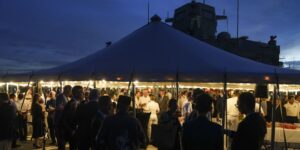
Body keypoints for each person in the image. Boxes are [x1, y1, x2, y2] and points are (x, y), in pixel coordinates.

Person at [62, 86, 84, 150]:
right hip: (73, 132)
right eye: (82, 92)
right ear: (77, 93)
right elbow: (66, 119)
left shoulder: (77, 103)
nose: (83, 94)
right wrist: (72, 130)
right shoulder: (72, 104)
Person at [54, 85, 72, 150]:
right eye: (70, 90)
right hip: (59, 122)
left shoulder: (66, 98)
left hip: (64, 123)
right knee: (61, 143)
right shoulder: (60, 97)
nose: (71, 92)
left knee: (63, 142)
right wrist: (68, 108)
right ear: (67, 90)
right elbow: (59, 107)